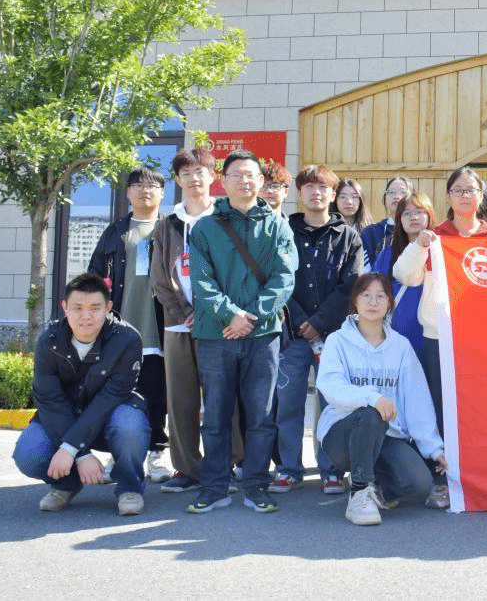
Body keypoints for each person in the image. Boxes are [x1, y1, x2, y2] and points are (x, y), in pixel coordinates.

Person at [185, 149, 298, 515]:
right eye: (237, 174)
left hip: (263, 336)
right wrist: (231, 315)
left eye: (251, 175)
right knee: (215, 416)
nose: (245, 181)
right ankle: (214, 487)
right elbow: (201, 281)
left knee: (261, 417)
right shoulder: (205, 227)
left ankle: (256, 485)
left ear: (261, 181)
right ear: (224, 181)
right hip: (216, 335)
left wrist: (251, 317)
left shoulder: (277, 226)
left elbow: (284, 278)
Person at [394, 165, 487, 509]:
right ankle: (443, 479)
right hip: (440, 336)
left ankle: (480, 478)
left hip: (482, 340)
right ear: (449, 197)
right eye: (458, 191)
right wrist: (419, 246)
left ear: (481, 196)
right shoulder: (436, 236)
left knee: (481, 409)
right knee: (441, 408)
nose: (465, 196)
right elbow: (405, 276)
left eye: (471, 190)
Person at [13, 273, 150, 516]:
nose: (86, 316)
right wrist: (80, 455)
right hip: (65, 418)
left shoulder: (127, 339)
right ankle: (66, 484)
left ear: (108, 307)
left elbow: (111, 397)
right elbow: (50, 402)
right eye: (78, 308)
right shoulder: (49, 342)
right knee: (29, 453)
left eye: (95, 308)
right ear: (64, 307)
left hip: (111, 416)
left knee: (130, 425)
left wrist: (72, 447)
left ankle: (130, 487)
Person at [316, 274, 448, 526]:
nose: (372, 302)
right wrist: (372, 398)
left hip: (387, 436)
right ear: (355, 301)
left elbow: (416, 399)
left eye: (380, 296)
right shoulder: (337, 341)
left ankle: (376, 485)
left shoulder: (400, 346)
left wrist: (434, 449)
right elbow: (329, 385)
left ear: (389, 303)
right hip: (342, 434)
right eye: (366, 295)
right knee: (370, 413)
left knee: (419, 484)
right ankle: (359, 492)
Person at [271, 165, 366, 496]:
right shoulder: (283, 231)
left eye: (323, 188)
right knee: (288, 404)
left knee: (333, 404)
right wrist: (302, 321)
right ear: (299, 193)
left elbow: (351, 284)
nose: (316, 193)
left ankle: (332, 469)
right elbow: (277, 279)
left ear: (333, 194)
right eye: (309, 187)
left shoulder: (348, 237)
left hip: (335, 338)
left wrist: (320, 322)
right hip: (292, 336)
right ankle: (288, 468)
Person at [151, 147, 238, 495]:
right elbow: (160, 277)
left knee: (222, 398)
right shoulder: (167, 224)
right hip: (178, 325)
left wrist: (210, 312)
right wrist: (184, 313)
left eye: (199, 172)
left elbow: (236, 273)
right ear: (178, 180)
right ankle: (187, 468)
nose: (193, 179)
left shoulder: (227, 218)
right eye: (186, 173)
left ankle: (226, 465)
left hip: (219, 324)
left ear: (212, 176)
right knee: (181, 400)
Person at [87, 165, 170, 485]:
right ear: (128, 193)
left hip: (159, 327)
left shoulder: (171, 229)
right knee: (118, 394)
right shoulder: (115, 231)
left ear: (162, 193)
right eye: (138, 185)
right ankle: (117, 453)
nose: (145, 191)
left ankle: (157, 453)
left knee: (157, 396)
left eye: (152, 186)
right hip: (121, 329)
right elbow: (95, 277)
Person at [372, 192, 435, 365]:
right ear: (399, 220)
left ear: (430, 215)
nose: (413, 217)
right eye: (406, 213)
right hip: (394, 337)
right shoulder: (387, 254)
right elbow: (373, 294)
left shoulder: (441, 253)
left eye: (419, 212)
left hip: (432, 338)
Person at [360, 176, 412, 267]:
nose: (397, 197)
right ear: (385, 199)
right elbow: (365, 269)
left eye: (403, 192)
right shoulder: (370, 232)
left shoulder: (418, 230)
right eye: (391, 192)